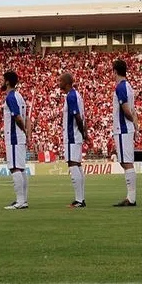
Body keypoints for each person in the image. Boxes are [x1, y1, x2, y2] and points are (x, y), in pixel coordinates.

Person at [111, 60, 140, 207]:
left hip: (122, 129)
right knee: (125, 162)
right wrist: (135, 124)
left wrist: (133, 123)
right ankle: (131, 196)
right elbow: (132, 110)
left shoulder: (121, 87)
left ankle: (131, 198)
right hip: (126, 128)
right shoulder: (128, 86)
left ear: (115, 71)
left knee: (127, 163)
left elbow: (126, 109)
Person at [2, 71, 30, 210]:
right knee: (21, 168)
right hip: (19, 137)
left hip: (13, 136)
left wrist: (23, 130)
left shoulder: (11, 97)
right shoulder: (20, 96)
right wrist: (26, 134)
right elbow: (27, 117)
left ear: (7, 81)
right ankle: (23, 200)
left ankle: (20, 201)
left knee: (15, 168)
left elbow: (17, 117)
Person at [59, 72, 87, 208]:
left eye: (61, 81)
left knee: (73, 164)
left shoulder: (71, 96)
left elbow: (77, 116)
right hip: (76, 135)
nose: (59, 83)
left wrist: (83, 133)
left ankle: (79, 200)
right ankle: (81, 198)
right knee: (77, 165)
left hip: (72, 135)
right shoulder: (77, 95)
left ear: (67, 83)